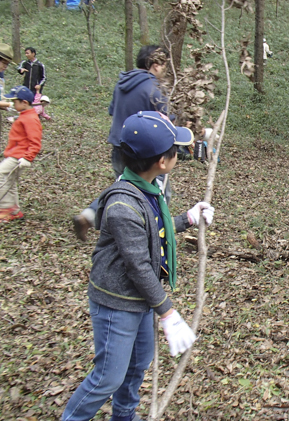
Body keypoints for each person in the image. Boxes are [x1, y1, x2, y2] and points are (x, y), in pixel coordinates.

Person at [62, 111, 214, 421]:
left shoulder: (148, 188)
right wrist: (168, 313)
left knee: (138, 363)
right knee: (108, 377)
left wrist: (187, 218)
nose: (178, 154)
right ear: (161, 161)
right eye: (174, 150)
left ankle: (125, 416)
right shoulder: (122, 204)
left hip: (140, 300)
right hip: (116, 302)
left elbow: (152, 229)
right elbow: (139, 266)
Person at [73, 45, 170, 242]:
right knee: (160, 192)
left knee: (122, 187)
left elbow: (112, 110)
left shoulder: (122, 83)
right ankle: (151, 234)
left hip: (119, 145)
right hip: (145, 153)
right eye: (164, 64)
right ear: (155, 64)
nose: (166, 69)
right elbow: (167, 121)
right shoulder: (154, 89)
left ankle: (89, 216)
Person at [0, 86, 43, 222]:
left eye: (15, 101)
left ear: (24, 103)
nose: (13, 103)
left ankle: (6, 209)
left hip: (18, 156)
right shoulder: (24, 115)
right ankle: (13, 210)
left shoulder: (30, 118)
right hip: (14, 154)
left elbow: (35, 142)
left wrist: (28, 157)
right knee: (10, 181)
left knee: (2, 177)